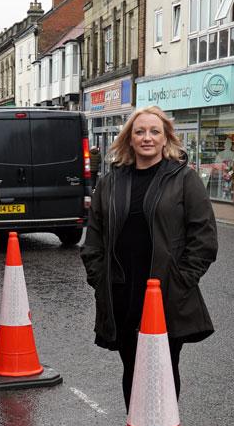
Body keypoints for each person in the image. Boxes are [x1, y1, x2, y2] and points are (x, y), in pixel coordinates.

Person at [81, 106, 218, 410]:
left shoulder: (184, 180)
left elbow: (204, 238)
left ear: (166, 138)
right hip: (123, 294)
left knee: (164, 369)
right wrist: (99, 278)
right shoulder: (110, 182)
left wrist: (180, 281)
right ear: (129, 138)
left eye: (155, 131)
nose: (147, 138)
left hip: (166, 294)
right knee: (131, 368)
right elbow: (94, 238)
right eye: (140, 131)